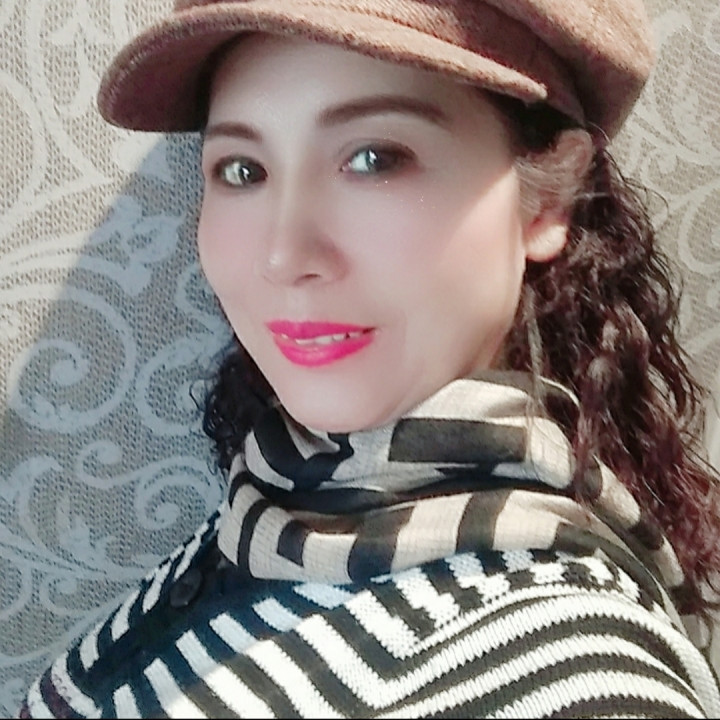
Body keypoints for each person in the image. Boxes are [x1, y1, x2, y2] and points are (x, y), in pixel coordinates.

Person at [18, 0, 720, 717]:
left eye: (374, 159)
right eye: (242, 169)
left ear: (547, 199)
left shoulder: (578, 679)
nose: (283, 255)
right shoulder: (290, 501)